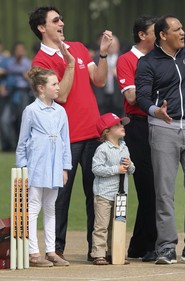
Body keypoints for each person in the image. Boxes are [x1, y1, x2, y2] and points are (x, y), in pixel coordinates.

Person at [28, 6, 113, 261]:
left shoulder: (77, 46)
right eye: (55, 20)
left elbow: (99, 80)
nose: (61, 23)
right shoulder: (40, 62)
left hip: (93, 132)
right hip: (63, 137)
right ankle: (57, 249)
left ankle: (96, 250)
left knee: (95, 193)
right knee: (60, 197)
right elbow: (61, 95)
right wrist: (68, 65)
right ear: (42, 28)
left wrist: (103, 55)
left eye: (61, 18)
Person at [135, 15, 185, 265]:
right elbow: (141, 97)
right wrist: (155, 112)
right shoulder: (148, 63)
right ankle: (167, 246)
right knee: (164, 192)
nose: (183, 32)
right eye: (177, 29)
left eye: (182, 28)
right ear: (162, 35)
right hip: (163, 129)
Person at [15, 66, 71, 267]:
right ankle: (33, 253)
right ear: (41, 88)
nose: (58, 87)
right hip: (36, 166)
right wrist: (22, 168)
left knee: (51, 208)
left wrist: (65, 168)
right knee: (33, 209)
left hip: (55, 167)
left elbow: (65, 141)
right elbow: (22, 143)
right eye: (54, 84)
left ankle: (51, 251)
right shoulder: (31, 111)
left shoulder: (61, 111)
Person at [116, 15, 158, 262]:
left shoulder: (159, 59)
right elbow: (131, 97)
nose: (161, 35)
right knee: (147, 186)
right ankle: (150, 243)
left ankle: (138, 245)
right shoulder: (126, 60)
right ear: (142, 35)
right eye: (156, 31)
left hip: (160, 125)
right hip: (139, 126)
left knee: (155, 187)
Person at [91, 113, 135, 265]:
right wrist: (116, 169)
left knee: (118, 224)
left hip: (121, 194)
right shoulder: (102, 149)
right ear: (107, 131)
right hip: (104, 194)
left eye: (121, 124)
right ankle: (99, 254)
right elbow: (96, 168)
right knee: (102, 226)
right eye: (117, 125)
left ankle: (115, 253)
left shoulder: (125, 147)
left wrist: (129, 165)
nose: (122, 126)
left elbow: (132, 169)